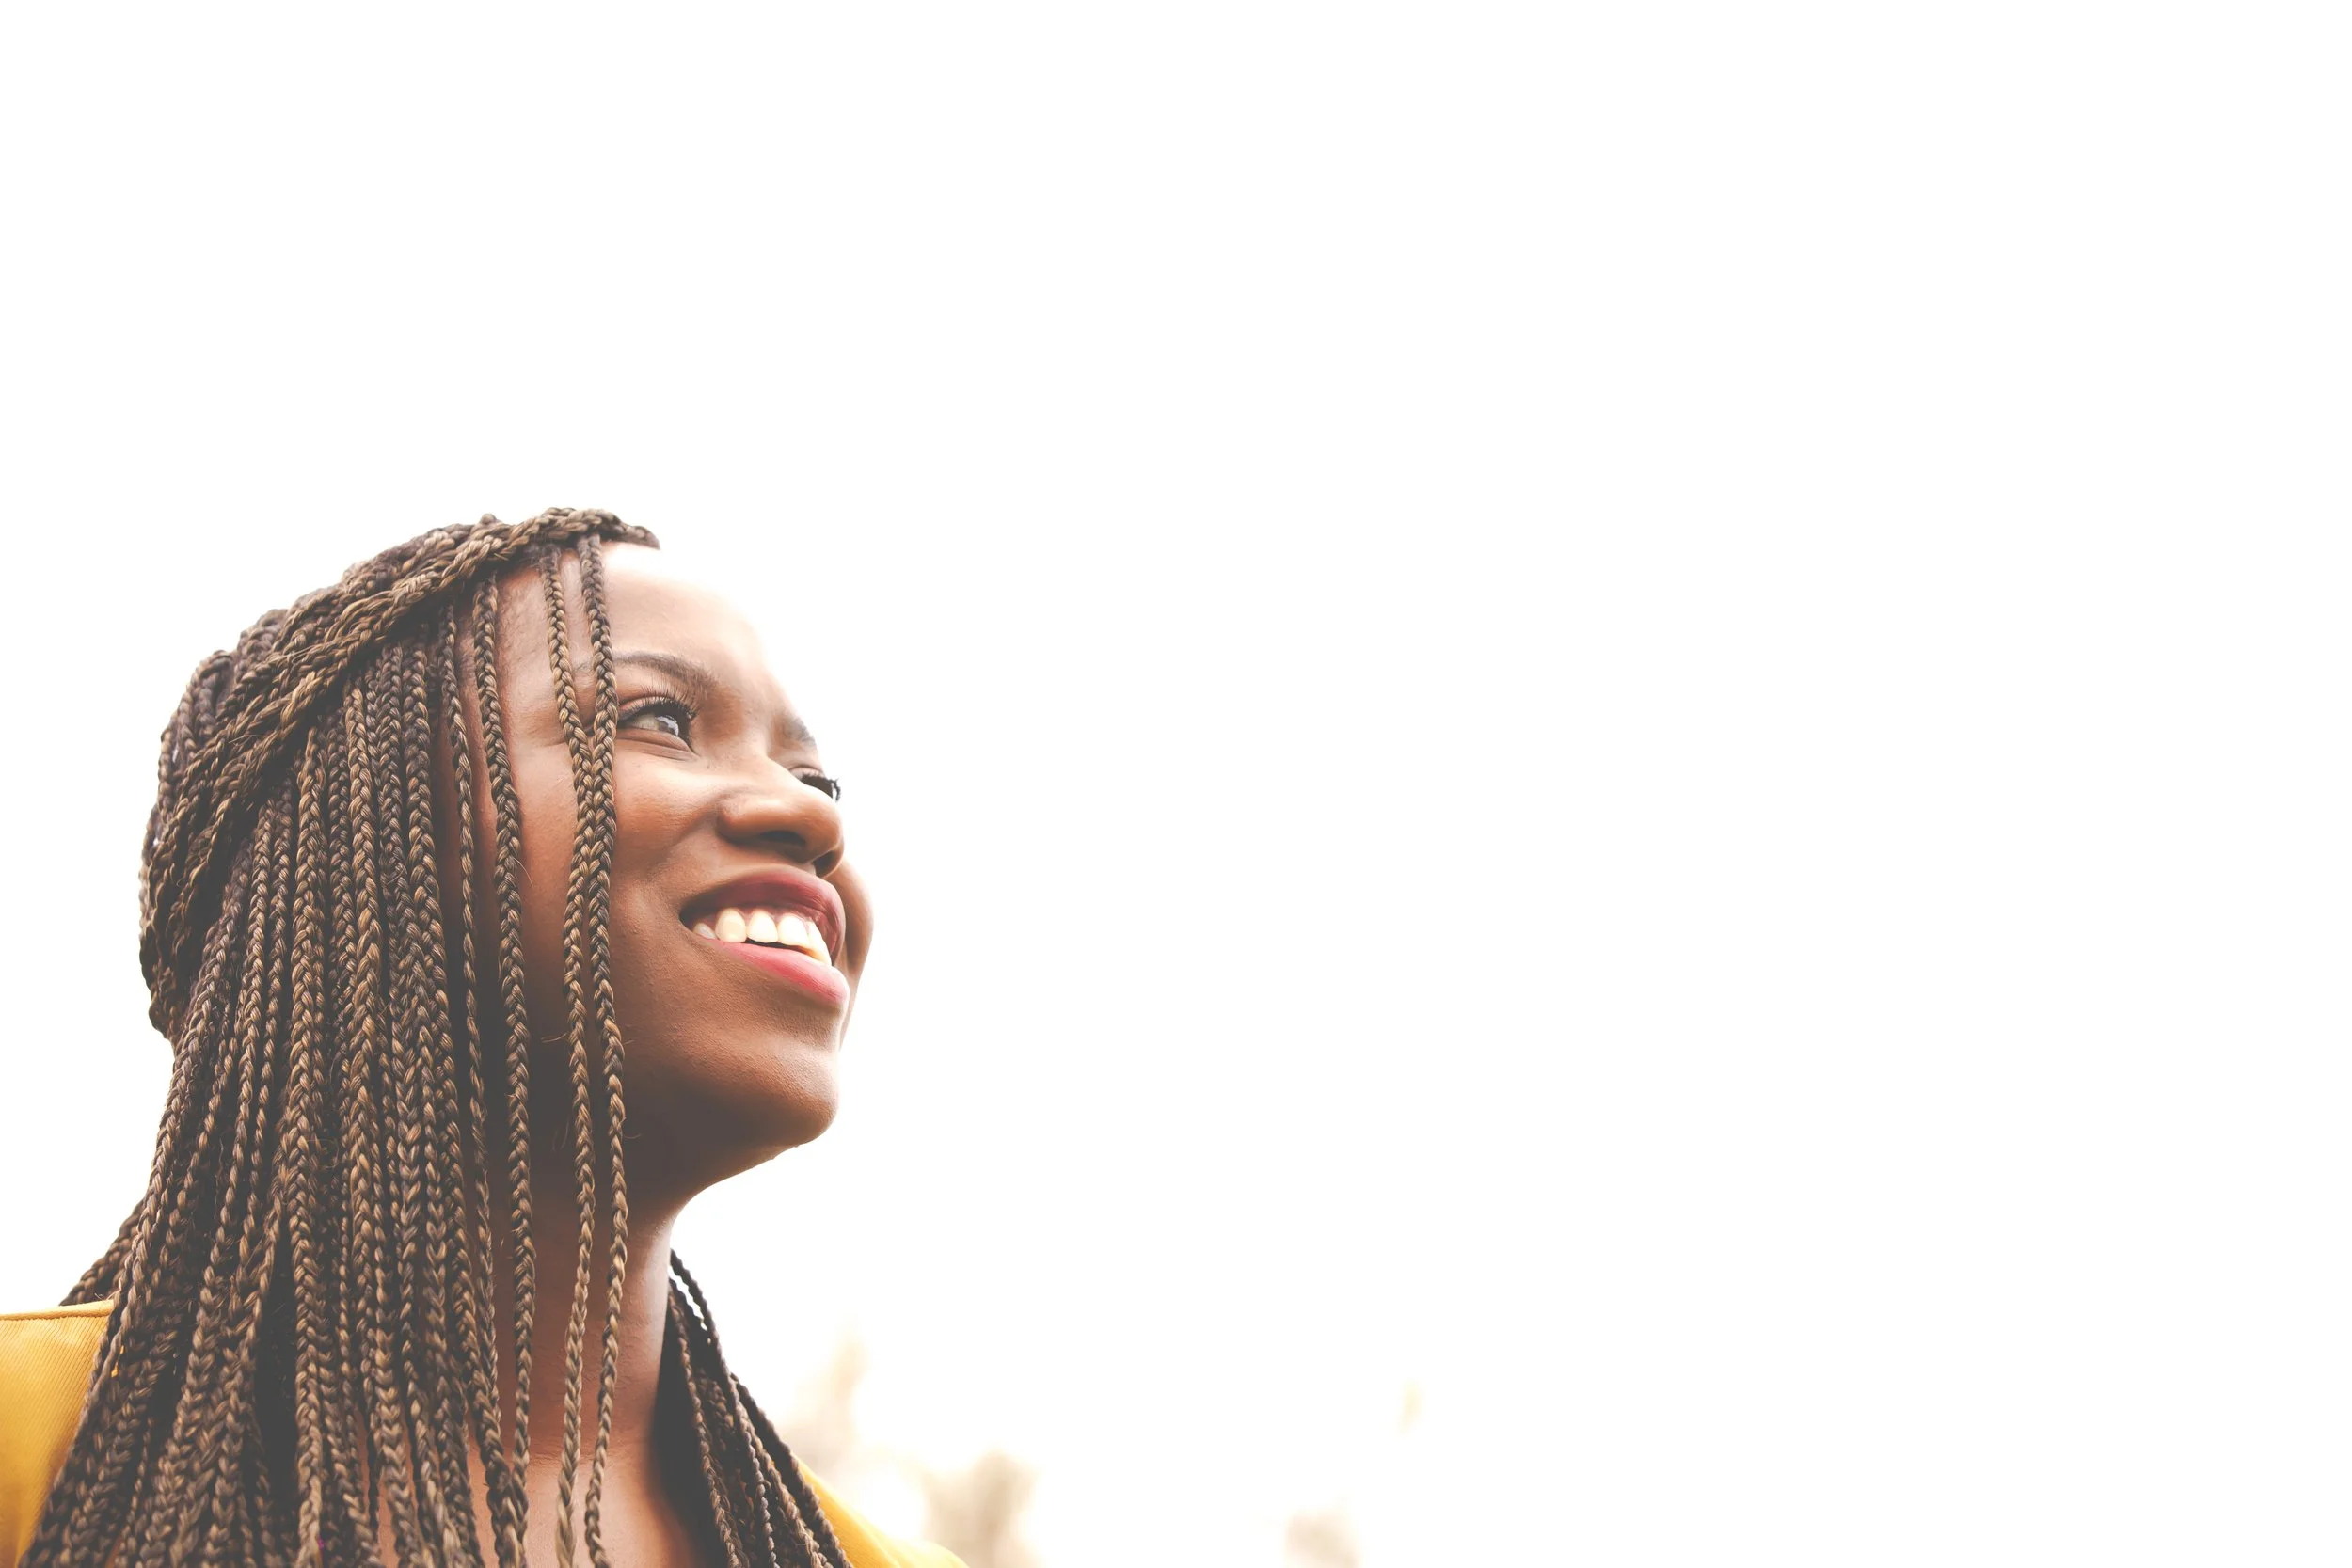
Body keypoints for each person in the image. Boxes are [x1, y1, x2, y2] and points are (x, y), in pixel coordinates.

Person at [0, 510, 964, 1567]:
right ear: (354, 845)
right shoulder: (35, 1453)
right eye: (658, 718)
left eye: (819, 782)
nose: (812, 818)